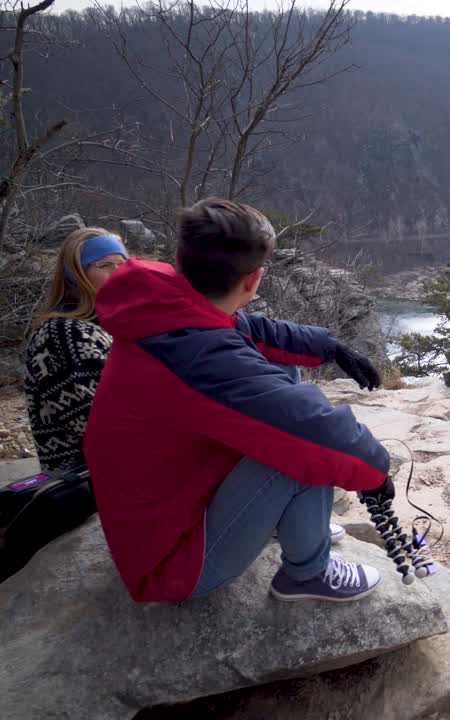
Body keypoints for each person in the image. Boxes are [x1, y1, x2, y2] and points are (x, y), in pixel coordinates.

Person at [84, 198, 390, 604]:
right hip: (172, 564)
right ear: (254, 280)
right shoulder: (196, 355)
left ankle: (283, 521)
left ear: (180, 260)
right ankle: (307, 575)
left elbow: (248, 328)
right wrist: (375, 472)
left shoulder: (168, 315)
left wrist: (328, 345)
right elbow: (314, 430)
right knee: (300, 446)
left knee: (282, 374)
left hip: (168, 509)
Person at [24, 228, 129, 472]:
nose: (118, 273)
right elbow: (98, 424)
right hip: (89, 483)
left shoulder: (108, 325)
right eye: (104, 265)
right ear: (77, 275)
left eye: (122, 263)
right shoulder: (64, 333)